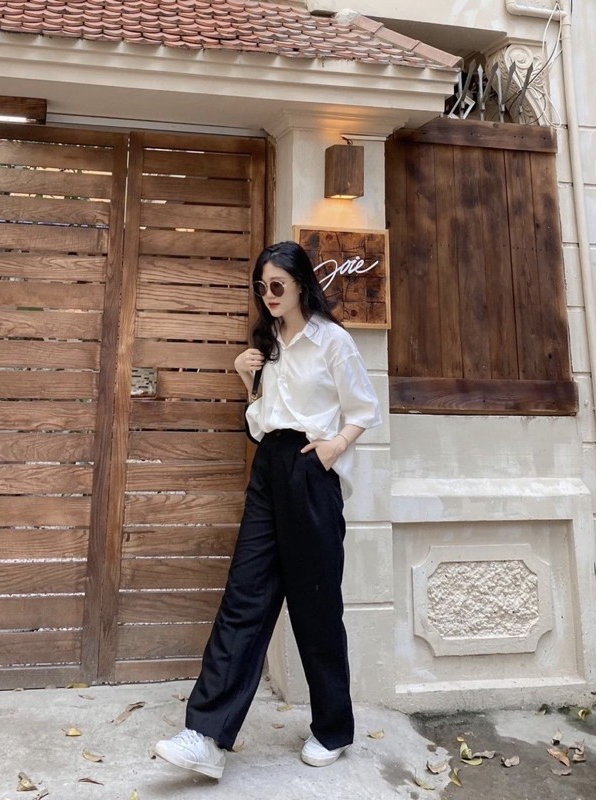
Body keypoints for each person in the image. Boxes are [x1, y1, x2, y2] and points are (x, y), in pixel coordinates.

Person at [153, 240, 382, 779]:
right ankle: (206, 736)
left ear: (301, 284)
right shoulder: (268, 344)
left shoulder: (332, 341)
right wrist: (245, 377)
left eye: (277, 285)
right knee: (244, 595)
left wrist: (333, 447)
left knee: (315, 605)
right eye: (262, 287)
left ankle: (333, 729)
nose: (269, 295)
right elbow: (262, 419)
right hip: (269, 467)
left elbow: (364, 408)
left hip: (310, 469)